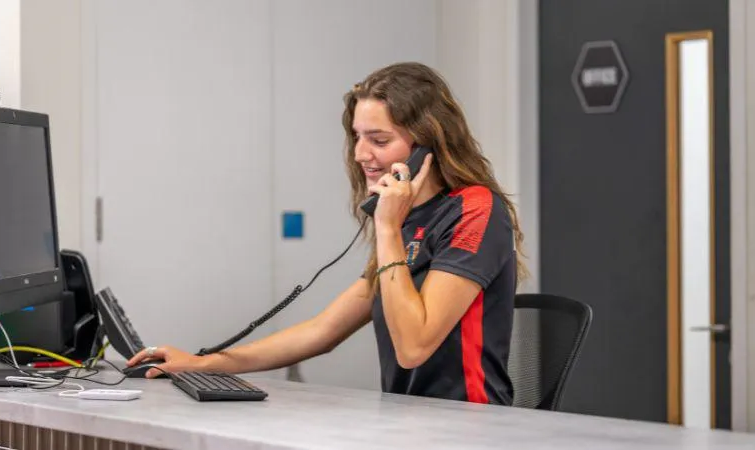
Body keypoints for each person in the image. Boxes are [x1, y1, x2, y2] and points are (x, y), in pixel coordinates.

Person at [127, 62, 527, 405]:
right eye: (357, 136)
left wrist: (387, 226)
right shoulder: (406, 217)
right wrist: (203, 362)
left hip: (471, 427)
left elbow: (413, 347)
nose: (359, 154)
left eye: (379, 140)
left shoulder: (475, 209)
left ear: (428, 144)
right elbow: (323, 331)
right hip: (409, 423)